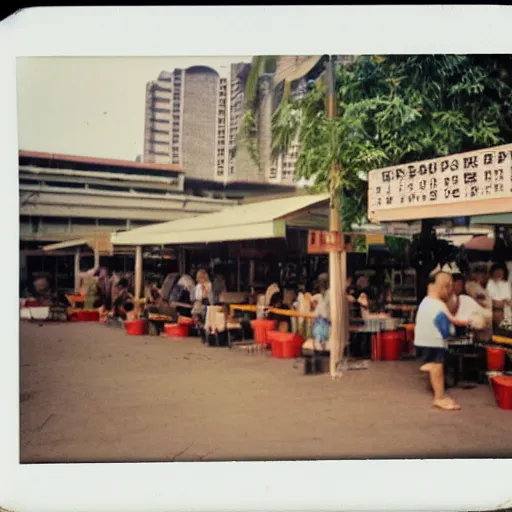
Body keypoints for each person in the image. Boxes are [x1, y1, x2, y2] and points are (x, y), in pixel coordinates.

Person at [414, 272, 468, 411]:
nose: (450, 291)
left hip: (422, 341)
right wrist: (471, 320)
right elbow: (454, 320)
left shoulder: (425, 302)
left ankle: (428, 366)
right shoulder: (438, 304)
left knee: (435, 365)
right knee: (437, 367)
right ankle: (439, 397)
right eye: (449, 286)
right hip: (434, 341)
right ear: (443, 287)